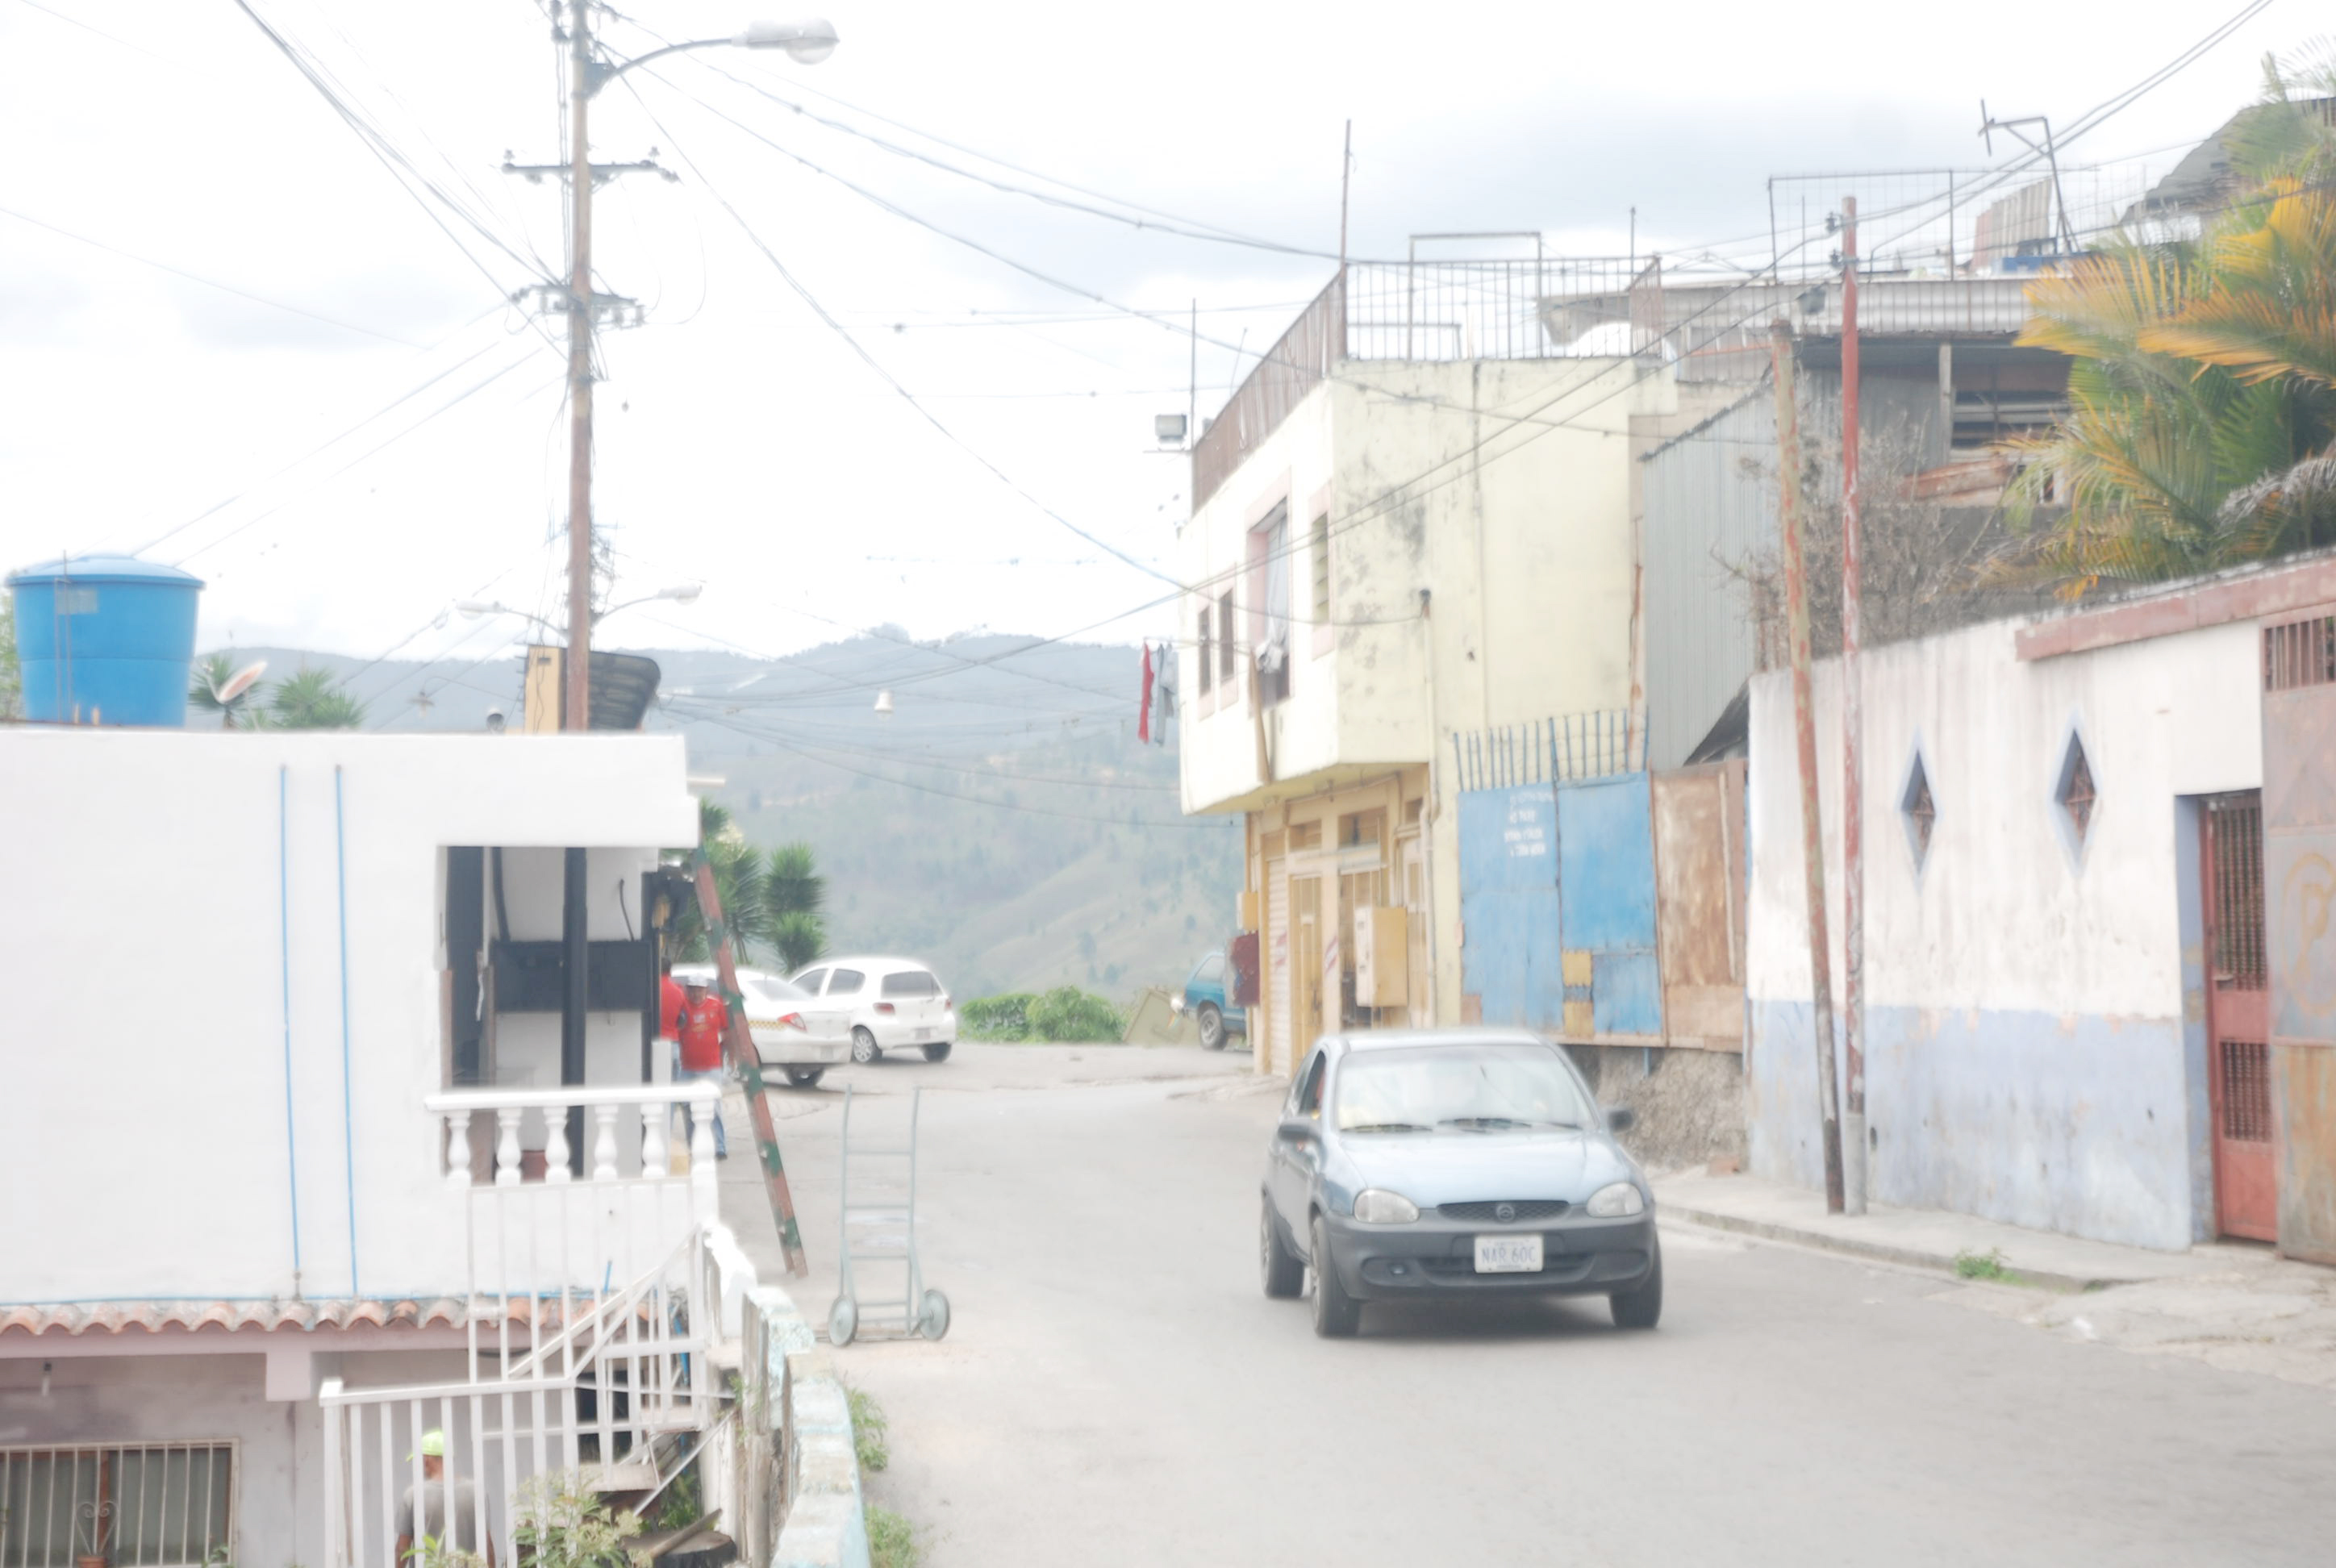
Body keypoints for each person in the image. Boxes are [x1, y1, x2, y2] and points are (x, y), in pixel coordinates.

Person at [393, 1428, 489, 1566]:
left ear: (426, 1460)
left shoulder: (413, 1495)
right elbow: (487, 1546)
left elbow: (402, 1549)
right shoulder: (475, 1491)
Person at [676, 973, 731, 1159]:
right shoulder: (683, 1007)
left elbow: (726, 1030)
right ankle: (693, 1146)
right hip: (687, 1067)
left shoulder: (716, 1006)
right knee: (687, 1107)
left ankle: (720, 1147)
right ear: (688, 990)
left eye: (700, 990)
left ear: (706, 990)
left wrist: (729, 1055)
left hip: (711, 1066)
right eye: (693, 990)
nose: (696, 994)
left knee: (714, 1107)